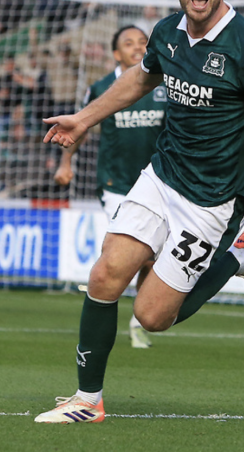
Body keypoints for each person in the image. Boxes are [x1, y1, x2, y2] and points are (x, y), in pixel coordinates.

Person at [35, 0, 244, 423]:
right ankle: (88, 401)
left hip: (213, 200)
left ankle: (240, 258)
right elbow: (141, 77)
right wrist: (85, 118)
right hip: (162, 175)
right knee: (105, 274)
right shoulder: (167, 33)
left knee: (152, 317)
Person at [53, 25, 166, 349]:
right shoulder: (103, 87)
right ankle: (106, 305)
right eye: (128, 44)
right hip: (116, 184)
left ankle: (138, 320)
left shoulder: (163, 86)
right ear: (116, 54)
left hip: (157, 183)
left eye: (142, 42)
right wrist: (65, 162)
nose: (137, 47)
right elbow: (82, 124)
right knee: (139, 253)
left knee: (153, 256)